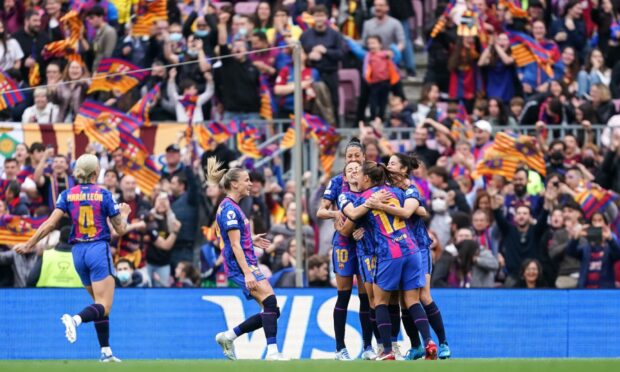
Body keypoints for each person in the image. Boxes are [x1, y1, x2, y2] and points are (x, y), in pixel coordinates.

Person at [13, 154, 132, 362]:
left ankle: (105, 351)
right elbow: (120, 229)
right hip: (97, 248)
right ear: (96, 173)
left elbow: (50, 224)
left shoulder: (67, 195)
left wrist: (29, 244)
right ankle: (75, 320)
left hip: (77, 252)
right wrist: (125, 213)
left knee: (97, 303)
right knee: (104, 305)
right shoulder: (104, 194)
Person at [340, 161, 437, 360]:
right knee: (412, 300)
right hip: (411, 249)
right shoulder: (396, 192)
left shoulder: (363, 200)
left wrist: (368, 208)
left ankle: (387, 351)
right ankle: (429, 342)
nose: (356, 177)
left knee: (380, 302)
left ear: (367, 178)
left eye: (359, 174)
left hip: (388, 253)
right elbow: (417, 211)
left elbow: (350, 220)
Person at [366, 153, 451, 359]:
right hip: (399, 249)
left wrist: (378, 205)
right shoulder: (389, 189)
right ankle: (417, 346)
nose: (389, 166)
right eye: (388, 163)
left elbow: (406, 213)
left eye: (393, 163)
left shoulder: (411, 189)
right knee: (404, 301)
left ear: (404, 169)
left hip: (418, 247)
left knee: (422, 296)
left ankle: (442, 343)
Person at [207, 157, 287, 361]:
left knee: (272, 309)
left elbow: (231, 238)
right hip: (240, 265)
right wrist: (248, 271)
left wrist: (249, 239)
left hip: (245, 262)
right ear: (235, 184)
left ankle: (228, 336)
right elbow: (233, 245)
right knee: (270, 302)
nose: (250, 183)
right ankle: (272, 352)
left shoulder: (230, 206)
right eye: (246, 180)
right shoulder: (231, 210)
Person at [316, 138, 369, 360]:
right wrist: (336, 214)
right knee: (344, 295)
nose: (354, 160)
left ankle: (368, 347)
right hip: (344, 244)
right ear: (345, 160)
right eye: (350, 157)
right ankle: (340, 348)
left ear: (364, 158)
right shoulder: (338, 182)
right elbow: (321, 211)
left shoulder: (370, 181)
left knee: (367, 297)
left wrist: (365, 229)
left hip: (366, 243)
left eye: (357, 156)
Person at [85, 6, 118, 72]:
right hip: (96, 68)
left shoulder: (109, 31)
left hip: (104, 72)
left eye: (92, 18)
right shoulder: (98, 31)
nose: (90, 21)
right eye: (88, 19)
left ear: (100, 17)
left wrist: (100, 73)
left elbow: (108, 55)